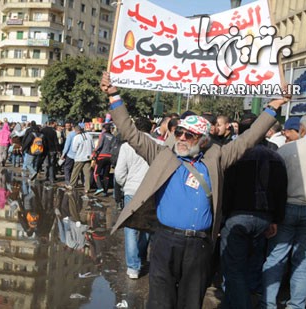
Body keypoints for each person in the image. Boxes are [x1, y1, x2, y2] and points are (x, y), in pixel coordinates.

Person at [100, 71, 289, 308]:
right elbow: (130, 132)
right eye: (178, 132)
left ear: (203, 140)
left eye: (188, 135)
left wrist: (274, 105)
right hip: (165, 241)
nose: (180, 138)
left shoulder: (217, 158)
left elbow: (248, 139)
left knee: (191, 302)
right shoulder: (162, 155)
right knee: (160, 301)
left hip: (199, 246)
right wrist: (114, 95)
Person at [220, 113, 288, 309]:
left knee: (234, 269)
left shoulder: (234, 155)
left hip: (237, 218)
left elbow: (227, 189)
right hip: (264, 219)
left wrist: (222, 218)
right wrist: (275, 219)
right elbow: (280, 191)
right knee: (251, 265)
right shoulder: (276, 157)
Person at [261, 112, 306, 309]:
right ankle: (297, 306)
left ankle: (267, 303)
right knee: (304, 263)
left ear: (301, 129)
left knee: (276, 258)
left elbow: (273, 185)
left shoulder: (286, 150)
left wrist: (272, 215)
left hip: (286, 208)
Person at [115, 117, 163, 279]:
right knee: (148, 227)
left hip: (132, 190)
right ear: (150, 129)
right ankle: (141, 258)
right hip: (152, 191)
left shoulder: (127, 146)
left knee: (131, 229)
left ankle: (133, 267)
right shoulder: (159, 144)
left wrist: (124, 185)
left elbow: (119, 173)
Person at [69, 125, 94, 196]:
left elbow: (74, 149)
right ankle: (87, 188)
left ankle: (72, 185)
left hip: (79, 157)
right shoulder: (89, 136)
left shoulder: (76, 137)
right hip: (88, 157)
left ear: (76, 130)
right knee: (87, 173)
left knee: (75, 172)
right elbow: (93, 146)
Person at [93, 123, 115, 196]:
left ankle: (99, 187)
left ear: (104, 129)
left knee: (96, 173)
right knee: (106, 175)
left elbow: (99, 145)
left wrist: (94, 152)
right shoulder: (113, 137)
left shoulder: (103, 135)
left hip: (101, 156)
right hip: (109, 157)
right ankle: (105, 191)